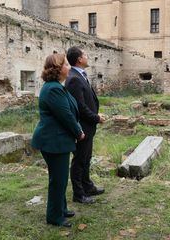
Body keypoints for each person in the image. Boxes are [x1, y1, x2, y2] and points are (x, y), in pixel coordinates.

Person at [31, 53, 85, 227]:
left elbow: (68, 111)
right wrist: (78, 132)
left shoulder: (56, 86)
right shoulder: (53, 88)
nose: (69, 67)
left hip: (57, 140)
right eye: (66, 65)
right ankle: (54, 216)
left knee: (59, 178)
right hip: (54, 141)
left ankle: (61, 209)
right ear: (58, 68)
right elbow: (66, 116)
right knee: (58, 180)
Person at [65, 47, 105, 204]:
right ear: (79, 59)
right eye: (85, 55)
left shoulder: (80, 75)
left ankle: (87, 186)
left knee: (86, 158)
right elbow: (80, 107)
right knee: (80, 159)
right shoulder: (74, 78)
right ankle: (79, 193)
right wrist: (96, 118)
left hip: (88, 126)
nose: (88, 57)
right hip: (83, 126)